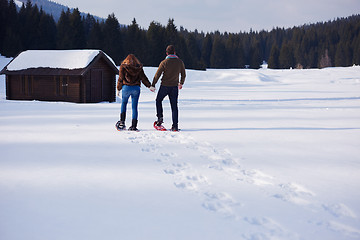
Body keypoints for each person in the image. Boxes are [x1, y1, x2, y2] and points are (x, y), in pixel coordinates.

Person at [151, 45, 186, 131]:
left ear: (166, 53)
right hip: (174, 87)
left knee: (158, 100)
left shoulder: (164, 62)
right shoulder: (180, 62)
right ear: (174, 52)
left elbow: (157, 75)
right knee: (174, 106)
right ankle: (175, 126)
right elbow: (183, 74)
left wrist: (153, 84)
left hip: (164, 86)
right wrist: (181, 83)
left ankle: (160, 119)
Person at [116, 54, 152, 131]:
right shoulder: (138, 68)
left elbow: (120, 78)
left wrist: (118, 89)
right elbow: (143, 78)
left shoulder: (123, 67)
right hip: (136, 88)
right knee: (134, 107)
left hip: (126, 88)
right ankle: (134, 126)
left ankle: (122, 122)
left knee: (124, 103)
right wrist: (149, 86)